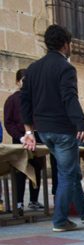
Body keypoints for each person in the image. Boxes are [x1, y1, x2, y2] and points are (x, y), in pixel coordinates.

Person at [20, 24, 84, 232]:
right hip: (61, 130)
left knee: (71, 171)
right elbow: (69, 97)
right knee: (67, 174)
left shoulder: (33, 69)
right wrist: (81, 124)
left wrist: (28, 131)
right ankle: (60, 220)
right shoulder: (65, 68)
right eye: (70, 44)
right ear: (65, 44)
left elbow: (25, 100)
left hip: (43, 130)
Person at [4, 68, 44, 215]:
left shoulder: (36, 99)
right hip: (19, 140)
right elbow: (8, 123)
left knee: (37, 168)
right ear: (17, 82)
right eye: (24, 80)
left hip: (37, 139)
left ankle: (34, 199)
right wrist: (20, 137)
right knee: (20, 170)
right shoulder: (12, 100)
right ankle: (19, 202)